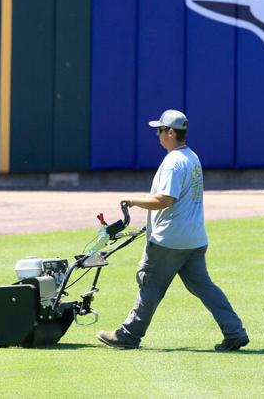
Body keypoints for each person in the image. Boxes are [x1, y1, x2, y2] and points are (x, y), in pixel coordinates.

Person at [96, 109, 249, 351]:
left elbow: (165, 199)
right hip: (194, 238)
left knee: (150, 284)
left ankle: (129, 334)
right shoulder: (192, 157)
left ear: (170, 132)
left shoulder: (173, 163)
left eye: (160, 130)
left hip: (169, 240)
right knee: (205, 287)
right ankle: (235, 331)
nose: (157, 135)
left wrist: (133, 201)